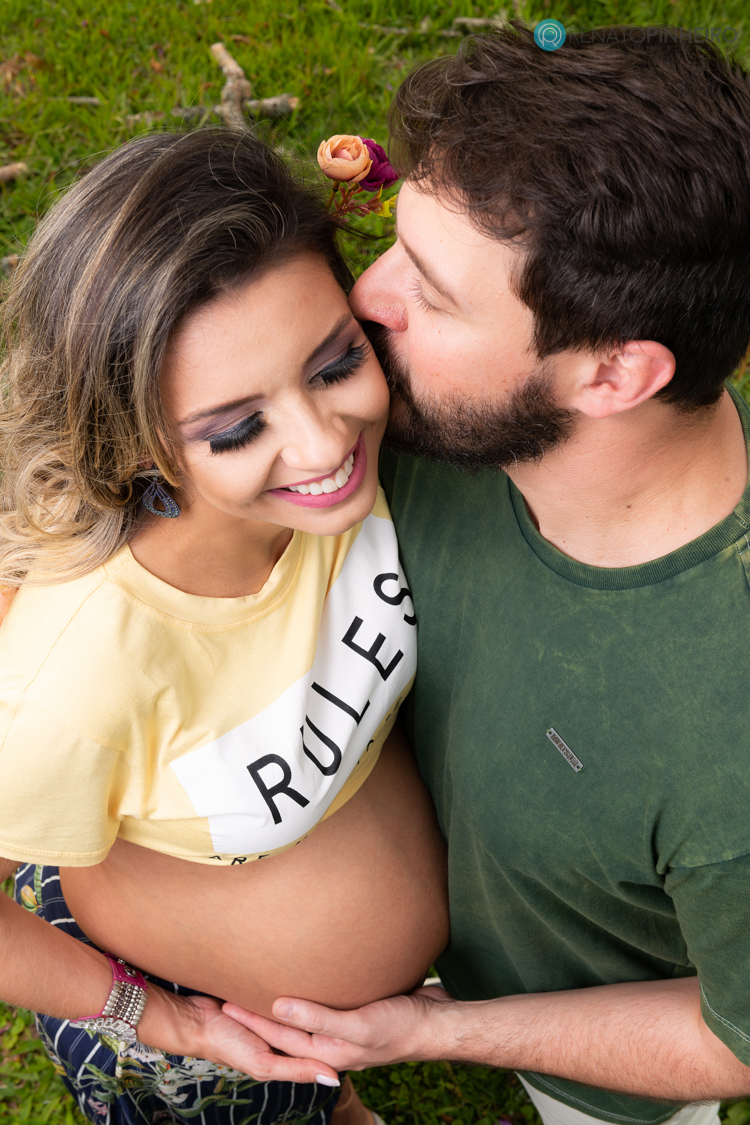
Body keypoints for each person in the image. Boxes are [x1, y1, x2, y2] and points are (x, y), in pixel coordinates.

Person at [223, 23, 750, 1125]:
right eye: (396, 244)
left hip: (599, 1069)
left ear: (613, 372)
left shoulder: (729, 738)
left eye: (434, 292)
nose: (368, 297)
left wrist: (439, 1031)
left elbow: (731, 1036)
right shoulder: (421, 424)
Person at [0, 127, 448, 1125]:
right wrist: (160, 1019)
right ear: (132, 441)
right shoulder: (71, 681)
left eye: (335, 363)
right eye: (238, 428)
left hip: (335, 998)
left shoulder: (369, 462)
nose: (323, 443)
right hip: (211, 1047)